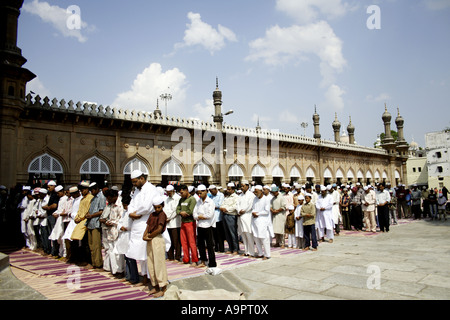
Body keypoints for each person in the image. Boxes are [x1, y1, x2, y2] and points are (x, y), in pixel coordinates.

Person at [125, 170, 158, 286]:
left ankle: (151, 279)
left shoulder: (151, 189)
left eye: (135, 181)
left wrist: (136, 213)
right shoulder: (137, 191)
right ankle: (144, 277)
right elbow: (131, 205)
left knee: (147, 253)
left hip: (146, 222)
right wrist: (130, 213)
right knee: (139, 254)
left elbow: (147, 206)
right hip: (136, 225)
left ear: (142, 179)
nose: (134, 184)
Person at [143, 196, 168, 298]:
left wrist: (149, 236)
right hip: (150, 239)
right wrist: (144, 236)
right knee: (151, 263)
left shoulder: (162, 215)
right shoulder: (152, 214)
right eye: (155, 207)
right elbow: (148, 226)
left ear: (162, 206)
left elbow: (159, 228)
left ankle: (163, 287)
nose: (157, 209)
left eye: (159, 207)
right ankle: (155, 285)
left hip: (157, 238)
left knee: (159, 263)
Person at [101, 188, 125, 277]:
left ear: (114, 196)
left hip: (118, 231)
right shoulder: (110, 205)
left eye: (109, 198)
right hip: (110, 231)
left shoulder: (120, 205)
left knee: (118, 252)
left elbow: (122, 219)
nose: (108, 200)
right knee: (111, 251)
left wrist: (113, 222)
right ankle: (114, 270)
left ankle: (120, 270)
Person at [71, 181, 94, 266]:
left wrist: (80, 218)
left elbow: (87, 211)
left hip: (86, 222)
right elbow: (80, 210)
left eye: (83, 190)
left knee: (87, 243)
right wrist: (77, 217)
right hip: (80, 222)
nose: (82, 191)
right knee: (79, 241)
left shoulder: (90, 198)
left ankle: (88, 261)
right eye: (81, 190)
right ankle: (81, 259)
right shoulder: (82, 199)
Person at [193, 184, 217, 268]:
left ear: (206, 192)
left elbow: (210, 215)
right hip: (200, 226)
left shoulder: (210, 202)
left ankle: (212, 263)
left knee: (210, 245)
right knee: (200, 245)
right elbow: (194, 214)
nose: (200, 195)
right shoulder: (198, 202)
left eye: (201, 193)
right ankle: (203, 261)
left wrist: (201, 216)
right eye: (199, 193)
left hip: (208, 226)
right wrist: (199, 216)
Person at [85, 182, 106, 270]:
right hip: (90, 223)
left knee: (96, 245)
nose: (91, 192)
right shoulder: (93, 198)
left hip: (96, 224)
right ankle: (93, 262)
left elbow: (102, 211)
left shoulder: (101, 197)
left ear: (97, 189)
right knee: (91, 244)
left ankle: (98, 263)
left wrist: (92, 215)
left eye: (92, 190)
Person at [176, 184, 198, 266]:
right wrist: (180, 212)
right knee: (184, 242)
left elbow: (190, 211)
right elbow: (177, 209)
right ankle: (186, 259)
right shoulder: (181, 200)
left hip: (190, 222)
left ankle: (195, 260)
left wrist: (184, 213)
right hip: (183, 222)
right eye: (180, 193)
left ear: (186, 190)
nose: (181, 194)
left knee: (192, 242)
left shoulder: (192, 199)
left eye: (182, 192)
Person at [251, 186, 272, 260]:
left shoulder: (266, 199)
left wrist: (257, 213)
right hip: (255, 221)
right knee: (256, 238)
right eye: (255, 192)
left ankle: (267, 254)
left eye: (256, 192)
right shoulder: (255, 199)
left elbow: (266, 211)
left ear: (261, 191)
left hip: (263, 221)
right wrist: (253, 212)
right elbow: (253, 208)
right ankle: (260, 253)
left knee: (264, 238)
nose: (255, 193)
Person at [236, 180, 256, 257]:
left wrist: (243, 211)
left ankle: (251, 252)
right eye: (241, 186)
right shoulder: (240, 195)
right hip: (241, 217)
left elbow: (250, 205)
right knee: (243, 235)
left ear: (247, 186)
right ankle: (246, 251)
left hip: (247, 216)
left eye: (243, 186)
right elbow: (237, 204)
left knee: (249, 234)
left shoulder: (251, 195)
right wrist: (239, 211)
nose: (242, 187)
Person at [220, 183, 239, 254]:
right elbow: (222, 204)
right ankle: (230, 248)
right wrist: (222, 208)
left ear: (233, 189)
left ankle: (236, 249)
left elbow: (235, 206)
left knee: (233, 233)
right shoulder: (226, 197)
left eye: (229, 189)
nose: (227, 190)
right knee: (227, 233)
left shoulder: (236, 197)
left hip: (231, 215)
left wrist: (226, 209)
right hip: (225, 215)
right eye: (227, 189)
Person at [48, 185, 68, 258]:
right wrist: (55, 213)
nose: (57, 194)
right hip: (59, 219)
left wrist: (58, 213)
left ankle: (65, 254)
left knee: (62, 236)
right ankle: (60, 253)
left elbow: (65, 210)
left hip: (63, 219)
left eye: (58, 193)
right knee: (58, 237)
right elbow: (59, 209)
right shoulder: (60, 199)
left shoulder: (66, 199)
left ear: (62, 192)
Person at [164, 185, 182, 262]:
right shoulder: (166, 199)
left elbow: (175, 210)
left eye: (170, 192)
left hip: (175, 223)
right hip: (167, 223)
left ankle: (177, 257)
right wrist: (165, 218)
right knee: (168, 239)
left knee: (176, 241)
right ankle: (170, 256)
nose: (169, 194)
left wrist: (169, 218)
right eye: (167, 193)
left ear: (173, 191)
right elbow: (165, 209)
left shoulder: (178, 198)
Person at [209, 185, 225, 253]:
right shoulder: (210, 196)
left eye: (212, 191)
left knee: (220, 234)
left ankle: (221, 248)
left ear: (215, 189)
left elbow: (220, 204)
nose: (212, 193)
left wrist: (213, 206)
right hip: (212, 218)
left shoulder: (221, 195)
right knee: (214, 234)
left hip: (218, 217)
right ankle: (216, 247)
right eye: (210, 192)